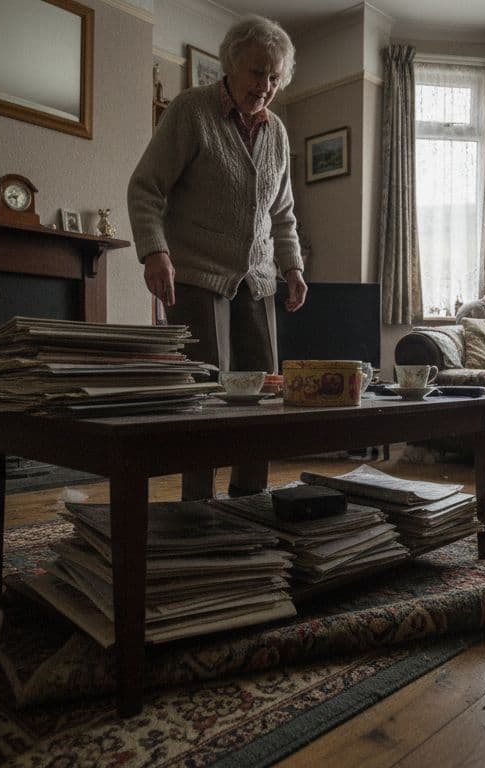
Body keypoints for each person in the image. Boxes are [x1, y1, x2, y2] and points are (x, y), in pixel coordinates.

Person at [127, 15, 307, 501]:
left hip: (259, 280)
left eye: (274, 77)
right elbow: (146, 187)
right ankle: (197, 507)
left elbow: (283, 212)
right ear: (230, 65)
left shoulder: (278, 133)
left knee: (261, 399)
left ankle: (248, 502)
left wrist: (292, 268)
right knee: (204, 399)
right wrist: (155, 252)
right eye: (256, 73)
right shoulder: (191, 111)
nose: (265, 86)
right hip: (197, 276)